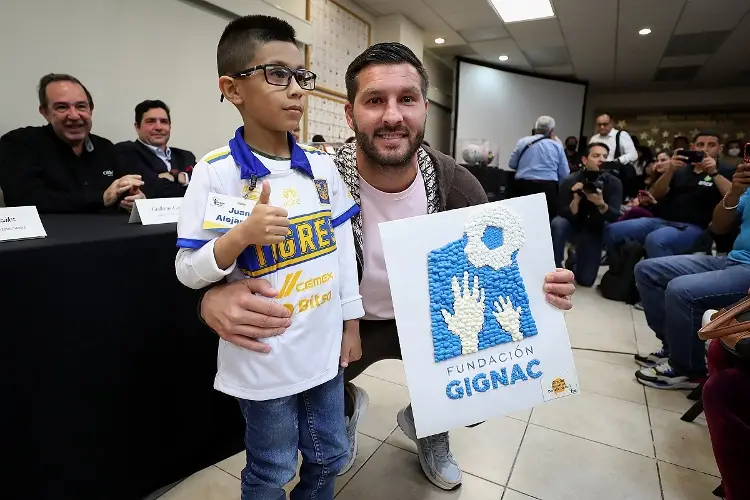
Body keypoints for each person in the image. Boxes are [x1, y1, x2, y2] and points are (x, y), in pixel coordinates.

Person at [196, 41, 577, 491]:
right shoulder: (314, 178)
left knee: (487, 378)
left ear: (424, 111)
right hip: (341, 323)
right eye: (375, 100)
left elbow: (497, 267)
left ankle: (430, 425)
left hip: (434, 323)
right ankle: (344, 402)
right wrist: (210, 297)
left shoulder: (457, 186)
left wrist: (541, 287)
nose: (393, 116)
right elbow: (238, 250)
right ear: (350, 115)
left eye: (407, 99)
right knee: (298, 399)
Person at [175, 16, 362, 500]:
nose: (297, 90)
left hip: (323, 352)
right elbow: (187, 270)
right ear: (232, 89)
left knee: (330, 455)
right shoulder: (215, 174)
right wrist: (239, 237)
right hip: (264, 359)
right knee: (272, 467)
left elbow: (342, 252)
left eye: (302, 76)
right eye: (277, 74)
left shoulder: (322, 167)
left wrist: (351, 323)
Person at [633, 158, 750, 389]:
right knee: (647, 270)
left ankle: (687, 369)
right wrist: (735, 191)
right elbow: (718, 226)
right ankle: (673, 348)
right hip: (732, 259)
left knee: (681, 290)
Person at [0, 73, 145, 213]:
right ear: (45, 112)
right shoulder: (19, 143)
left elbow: (123, 193)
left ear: (91, 109)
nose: (74, 116)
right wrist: (101, 198)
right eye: (62, 107)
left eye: (81, 106)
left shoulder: (106, 148)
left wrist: (134, 199)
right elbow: (23, 200)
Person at [604, 131, 734, 258]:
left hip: (696, 227)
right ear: (692, 147)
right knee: (612, 231)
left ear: (720, 149)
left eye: (711, 145)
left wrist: (714, 173)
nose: (705, 149)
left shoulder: (726, 170)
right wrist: (670, 171)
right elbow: (655, 194)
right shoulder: (681, 169)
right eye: (700, 145)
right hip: (663, 220)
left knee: (656, 240)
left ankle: (663, 278)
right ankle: (624, 273)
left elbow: (736, 197)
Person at [552, 143, 622, 286]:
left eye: (604, 157)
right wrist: (576, 199)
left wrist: (600, 203)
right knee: (558, 224)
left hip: (594, 228)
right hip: (573, 224)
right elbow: (562, 211)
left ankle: (575, 259)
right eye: (596, 156)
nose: (601, 160)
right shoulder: (570, 180)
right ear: (584, 160)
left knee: (586, 280)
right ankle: (554, 265)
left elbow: (614, 216)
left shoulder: (614, 183)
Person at [115, 100, 196, 198]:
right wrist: (184, 180)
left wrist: (170, 177)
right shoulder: (126, 152)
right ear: (137, 127)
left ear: (170, 126)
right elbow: (151, 189)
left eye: (164, 122)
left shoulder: (186, 156)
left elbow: (204, 187)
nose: (158, 127)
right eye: (151, 121)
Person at [508, 116, 569, 222]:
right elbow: (565, 173)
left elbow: (512, 164)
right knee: (544, 223)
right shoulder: (557, 146)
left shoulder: (523, 142)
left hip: (523, 187)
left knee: (521, 221)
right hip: (547, 189)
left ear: (535, 129)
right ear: (551, 131)